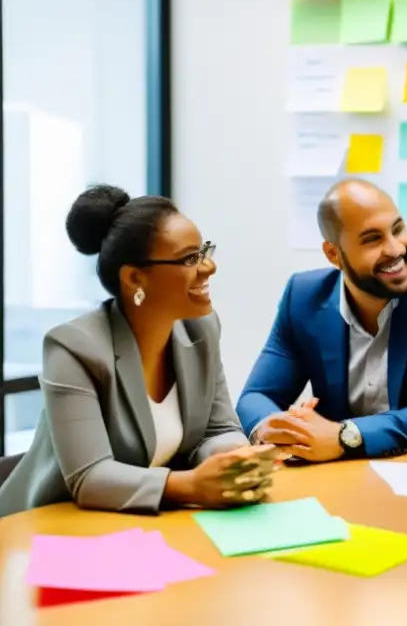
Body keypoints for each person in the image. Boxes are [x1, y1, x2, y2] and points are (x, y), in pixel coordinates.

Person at [0, 185, 274, 518]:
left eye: (204, 250)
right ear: (134, 278)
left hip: (137, 523)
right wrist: (191, 485)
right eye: (190, 258)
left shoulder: (201, 329)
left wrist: (235, 459)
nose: (208, 267)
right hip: (50, 527)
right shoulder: (73, 347)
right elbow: (91, 477)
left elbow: (218, 429)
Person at [236, 179, 407, 461]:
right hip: (337, 475)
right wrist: (279, 428)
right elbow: (255, 397)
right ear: (334, 254)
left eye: (397, 229)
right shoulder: (303, 297)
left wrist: (348, 435)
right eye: (373, 239)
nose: (395, 249)